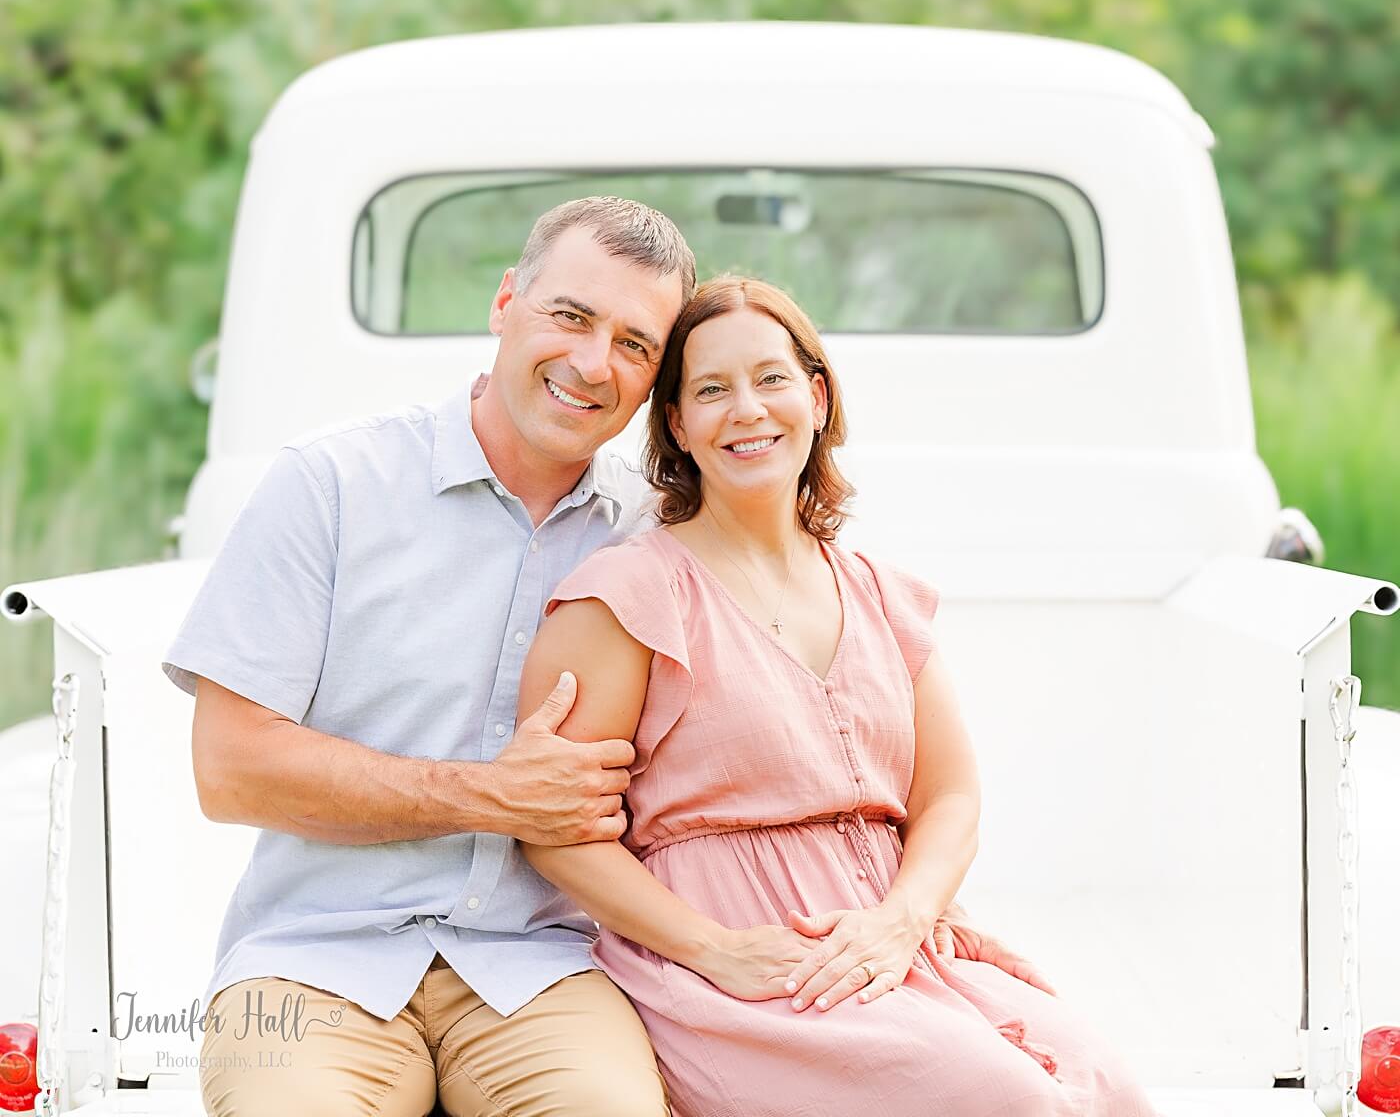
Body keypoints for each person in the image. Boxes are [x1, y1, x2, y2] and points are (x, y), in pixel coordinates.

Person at [163, 197, 1056, 1116]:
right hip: (315, 962)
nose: (595, 364)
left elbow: (798, 759)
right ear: (506, 301)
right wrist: (486, 794)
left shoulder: (658, 543)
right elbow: (228, 771)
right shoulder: (332, 486)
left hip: (547, 967)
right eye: (571, 317)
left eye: (636, 344)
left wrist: (909, 911)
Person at [517, 276, 1161, 1117]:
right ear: (677, 424)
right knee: (1008, 1103)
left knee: (1102, 1083)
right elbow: (551, 832)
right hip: (738, 967)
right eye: (711, 390)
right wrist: (718, 951)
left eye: (771, 379)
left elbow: (950, 796)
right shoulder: (630, 596)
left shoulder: (881, 594)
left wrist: (905, 918)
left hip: (896, 938)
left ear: (816, 397)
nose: (747, 409)